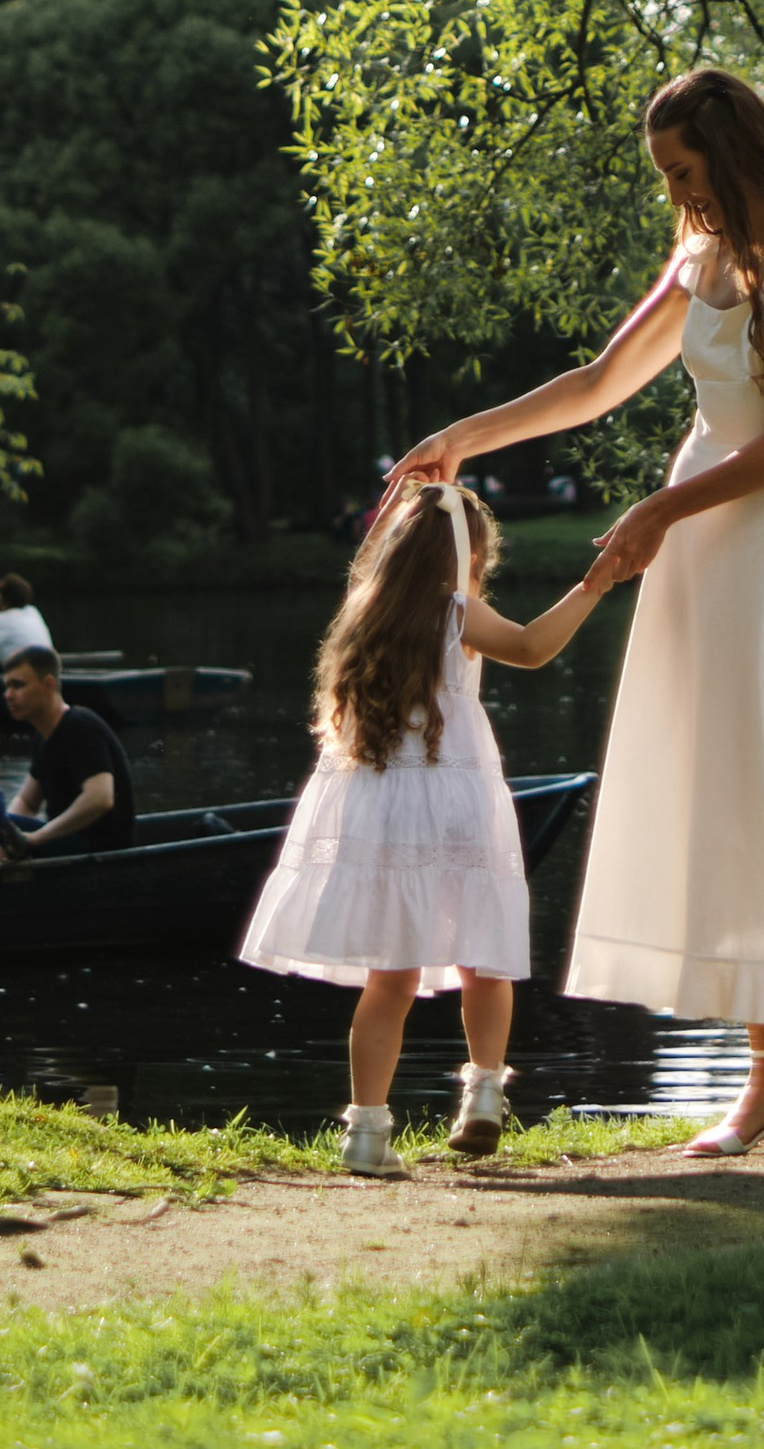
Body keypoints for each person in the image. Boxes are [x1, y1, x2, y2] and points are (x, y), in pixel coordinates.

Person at [387, 65, 764, 1155]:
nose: (678, 193)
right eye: (667, 176)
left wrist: (657, 509)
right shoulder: (699, 257)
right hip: (697, 535)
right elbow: (599, 379)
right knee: (721, 782)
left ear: (732, 150)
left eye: (686, 169)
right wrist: (463, 436)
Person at [241, 479, 623, 1176]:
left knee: (389, 978)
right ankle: (482, 1091)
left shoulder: (363, 614)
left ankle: (365, 1132)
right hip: (457, 799)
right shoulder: (456, 613)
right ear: (463, 555)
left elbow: (367, 565)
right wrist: (594, 584)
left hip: (384, 807)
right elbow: (535, 647)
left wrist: (409, 505)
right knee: (484, 953)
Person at [0, 647, 133, 862]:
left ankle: (15, 885)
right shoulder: (44, 736)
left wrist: (38, 837)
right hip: (64, 845)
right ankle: (12, 872)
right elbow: (28, 802)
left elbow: (100, 798)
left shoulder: (80, 726)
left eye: (17, 685)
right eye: (7, 686)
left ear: (48, 685)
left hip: (95, 849)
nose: (8, 695)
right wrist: (6, 833)